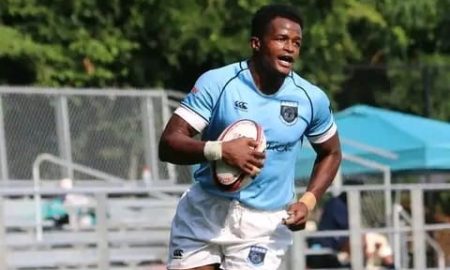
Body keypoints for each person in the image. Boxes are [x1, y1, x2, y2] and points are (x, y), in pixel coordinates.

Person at [158, 4, 342, 270]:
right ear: (256, 43)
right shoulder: (218, 83)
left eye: (296, 42)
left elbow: (331, 152)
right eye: (281, 39)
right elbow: (169, 144)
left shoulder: (310, 98)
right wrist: (220, 150)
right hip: (204, 211)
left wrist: (308, 200)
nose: (290, 48)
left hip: (263, 224)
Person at [307, 181, 395, 269]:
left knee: (379, 240)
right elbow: (345, 225)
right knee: (367, 239)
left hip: (341, 239)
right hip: (331, 241)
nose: (360, 197)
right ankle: (379, 265)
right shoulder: (336, 203)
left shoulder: (344, 203)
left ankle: (390, 266)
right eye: (359, 194)